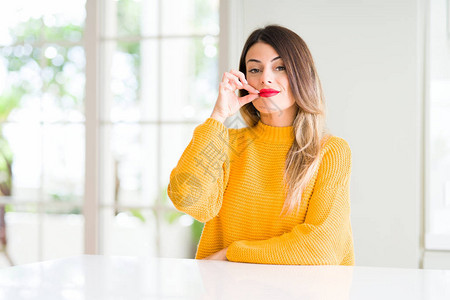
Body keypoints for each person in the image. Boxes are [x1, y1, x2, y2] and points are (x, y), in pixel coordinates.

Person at [167, 25, 354, 265]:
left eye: (280, 67)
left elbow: (321, 248)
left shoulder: (330, 151)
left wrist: (231, 253)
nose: (265, 77)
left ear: (302, 75)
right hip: (226, 289)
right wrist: (218, 115)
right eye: (254, 69)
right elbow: (187, 198)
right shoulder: (226, 144)